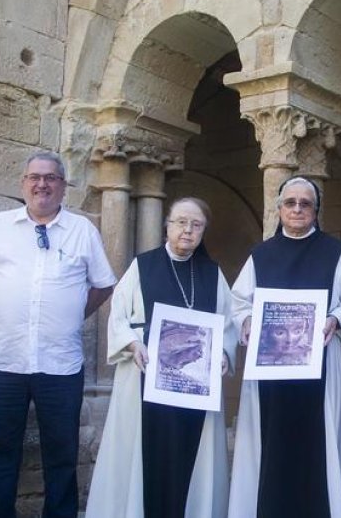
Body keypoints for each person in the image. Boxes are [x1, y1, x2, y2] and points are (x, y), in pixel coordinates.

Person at [0, 151, 117, 518]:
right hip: (4, 361)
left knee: (62, 452)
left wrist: (73, 311)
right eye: (34, 177)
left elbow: (103, 284)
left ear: (63, 186)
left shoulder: (82, 231)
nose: (42, 184)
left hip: (60, 362)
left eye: (50, 178)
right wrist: (2, 305)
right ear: (23, 184)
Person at [86, 197, 237, 518]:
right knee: (144, 458)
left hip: (195, 389)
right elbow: (118, 315)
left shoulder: (212, 274)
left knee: (192, 459)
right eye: (181, 222)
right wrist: (131, 344)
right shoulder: (143, 265)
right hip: (145, 376)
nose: (188, 230)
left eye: (196, 225)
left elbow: (229, 322)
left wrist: (223, 351)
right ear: (166, 225)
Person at [228, 177, 341, 518]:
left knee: (319, 451)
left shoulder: (335, 253)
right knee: (271, 449)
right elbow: (238, 302)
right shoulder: (261, 255)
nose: (297, 209)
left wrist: (335, 320)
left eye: (305, 203)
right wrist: (247, 322)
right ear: (279, 208)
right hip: (269, 375)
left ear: (316, 211)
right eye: (290, 203)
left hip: (322, 369)